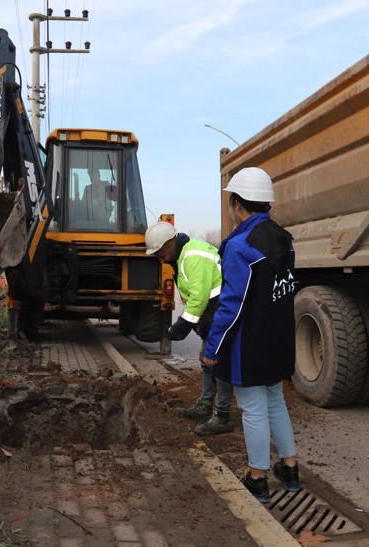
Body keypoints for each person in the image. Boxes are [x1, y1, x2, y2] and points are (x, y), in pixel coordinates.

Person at [202, 167, 302, 503]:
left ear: (237, 204)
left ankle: (257, 479)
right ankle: (289, 470)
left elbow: (231, 304)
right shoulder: (283, 239)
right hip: (279, 337)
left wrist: (213, 347)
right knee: (275, 400)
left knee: (253, 408)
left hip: (250, 342)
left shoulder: (242, 244)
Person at [144, 220, 234, 436]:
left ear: (168, 247)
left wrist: (180, 327)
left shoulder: (192, 256)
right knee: (206, 360)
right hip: (214, 311)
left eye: (160, 254)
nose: (160, 260)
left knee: (218, 363)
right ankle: (205, 405)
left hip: (220, 311)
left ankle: (222, 416)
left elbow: (199, 298)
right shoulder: (183, 254)